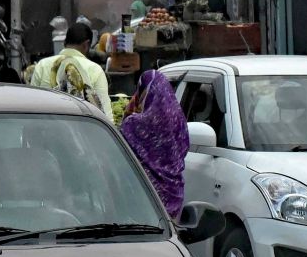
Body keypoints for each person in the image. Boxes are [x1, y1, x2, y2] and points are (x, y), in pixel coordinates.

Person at [120, 70, 190, 218]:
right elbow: (183, 149)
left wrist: (127, 114)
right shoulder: (179, 121)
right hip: (174, 195)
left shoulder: (134, 124)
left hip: (144, 197)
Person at [29, 22, 113, 119]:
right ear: (86, 45)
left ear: (65, 43)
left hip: (45, 129)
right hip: (80, 130)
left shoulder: (42, 65)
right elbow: (105, 114)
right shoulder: (94, 69)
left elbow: (32, 104)